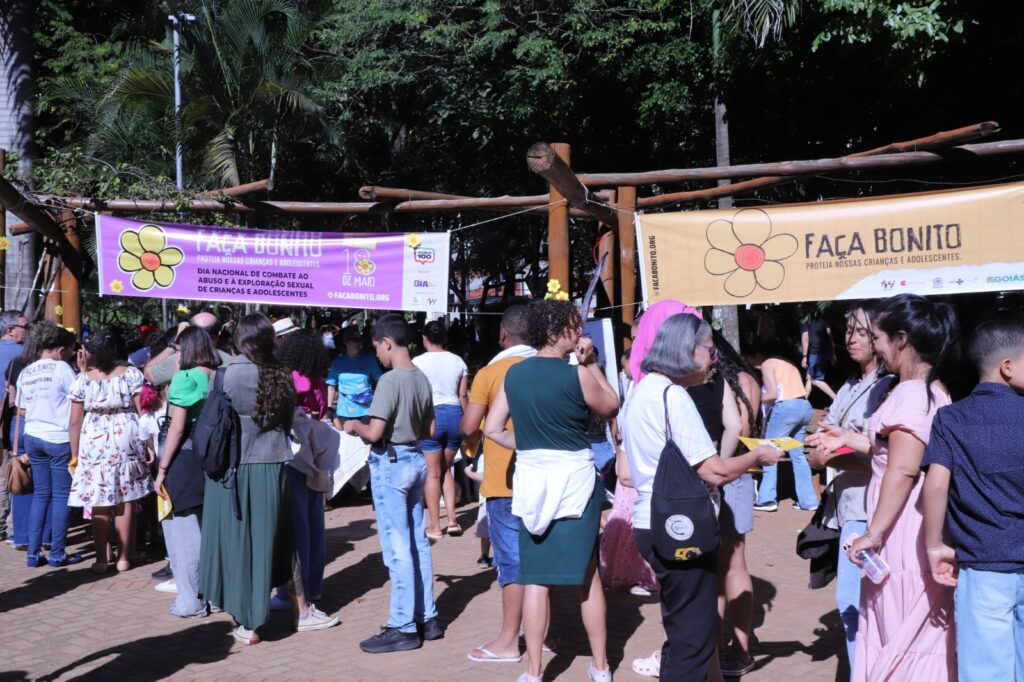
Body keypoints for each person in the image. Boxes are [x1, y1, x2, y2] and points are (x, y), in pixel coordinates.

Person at [621, 313, 781, 680]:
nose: (713, 360)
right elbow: (715, 471)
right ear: (687, 350)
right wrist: (757, 455)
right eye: (709, 351)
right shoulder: (673, 397)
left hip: (655, 520)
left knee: (685, 629)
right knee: (692, 642)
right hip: (679, 526)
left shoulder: (641, 391)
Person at [816, 293, 959, 680]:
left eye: (877, 337)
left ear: (902, 340)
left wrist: (873, 534)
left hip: (901, 533)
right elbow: (895, 453)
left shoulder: (912, 394)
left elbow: (903, 469)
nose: (875, 346)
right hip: (908, 526)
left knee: (900, 634)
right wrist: (849, 438)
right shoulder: (928, 389)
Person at [484, 299, 619, 682]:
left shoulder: (513, 374)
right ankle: (600, 666)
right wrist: (592, 363)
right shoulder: (578, 375)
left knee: (535, 578)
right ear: (556, 331)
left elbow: (492, 428)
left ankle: (534, 671)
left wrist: (527, 445)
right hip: (576, 481)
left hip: (533, 481)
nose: (580, 334)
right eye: (575, 327)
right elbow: (612, 405)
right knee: (587, 577)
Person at [200, 313, 337, 646]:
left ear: (240, 340)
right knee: (281, 542)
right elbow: (288, 422)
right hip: (274, 467)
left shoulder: (224, 375)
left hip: (232, 470)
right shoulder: (281, 375)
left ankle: (248, 622)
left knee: (237, 543)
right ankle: (302, 612)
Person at [921, 318, 1024, 681]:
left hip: (983, 566)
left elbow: (935, 486)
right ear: (1007, 366)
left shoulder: (951, 419)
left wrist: (935, 545)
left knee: (985, 670)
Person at [342, 314, 442, 654]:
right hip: (415, 459)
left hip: (391, 464)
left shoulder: (389, 381)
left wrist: (354, 425)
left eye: (376, 348)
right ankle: (427, 617)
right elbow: (430, 429)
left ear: (387, 342)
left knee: (397, 547)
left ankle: (402, 625)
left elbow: (374, 433)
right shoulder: (421, 377)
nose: (377, 355)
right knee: (417, 543)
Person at [806, 301, 895, 670]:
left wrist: (828, 458)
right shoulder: (851, 382)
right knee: (857, 602)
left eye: (862, 332)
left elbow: (884, 456)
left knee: (853, 603)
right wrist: (819, 447)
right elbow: (829, 431)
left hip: (868, 507)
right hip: (847, 506)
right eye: (848, 332)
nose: (852, 339)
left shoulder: (887, 387)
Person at [460, 305, 536, 664]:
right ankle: (539, 635)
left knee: (511, 563)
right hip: (548, 479)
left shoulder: (490, 373)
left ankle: (509, 640)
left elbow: (468, 427)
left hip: (504, 480)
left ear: (503, 334)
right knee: (540, 562)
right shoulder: (553, 367)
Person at [68, 330, 152, 573]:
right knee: (126, 496)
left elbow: (74, 421)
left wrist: (75, 454)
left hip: (93, 440)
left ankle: (102, 559)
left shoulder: (82, 379)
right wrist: (149, 444)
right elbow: (143, 412)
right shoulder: (131, 374)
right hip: (126, 435)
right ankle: (125, 557)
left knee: (98, 499)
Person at [711, 330, 764, 677]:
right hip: (741, 474)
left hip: (726, 473)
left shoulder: (730, 381)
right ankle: (729, 647)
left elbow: (740, 428)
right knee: (729, 564)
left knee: (726, 565)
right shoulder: (748, 379)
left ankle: (734, 648)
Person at [275, 327, 335, 606]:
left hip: (294, 453)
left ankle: (292, 594)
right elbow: (321, 413)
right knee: (314, 523)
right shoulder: (319, 379)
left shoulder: (288, 378)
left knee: (294, 526)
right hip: (318, 451)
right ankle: (314, 586)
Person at [17, 321, 82, 567]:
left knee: (41, 495)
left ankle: (33, 554)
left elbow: (21, 407)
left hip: (33, 435)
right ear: (60, 349)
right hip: (58, 437)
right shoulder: (62, 368)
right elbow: (79, 397)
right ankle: (57, 553)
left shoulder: (27, 371)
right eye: (70, 351)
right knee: (61, 496)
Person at [412, 320, 468, 539]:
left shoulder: (417, 362)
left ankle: (435, 526)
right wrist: (468, 424)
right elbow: (463, 395)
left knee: (432, 473)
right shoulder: (458, 361)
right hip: (455, 414)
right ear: (445, 338)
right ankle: (453, 520)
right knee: (446, 469)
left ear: (424, 338)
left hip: (431, 415)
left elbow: (415, 395)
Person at [745, 342, 817, 512]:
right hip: (804, 406)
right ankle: (808, 501)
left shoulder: (767, 364)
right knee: (798, 454)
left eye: (748, 359)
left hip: (786, 408)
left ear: (757, 355)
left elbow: (772, 394)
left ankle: (767, 499)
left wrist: (750, 400)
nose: (749, 364)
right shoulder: (784, 362)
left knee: (769, 450)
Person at [7, 325, 51, 552]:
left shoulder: (15, 364)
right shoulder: (53, 366)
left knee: (22, 480)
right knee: (47, 483)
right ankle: (46, 536)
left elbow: (12, 398)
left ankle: (22, 536)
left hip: (19, 423)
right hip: (44, 424)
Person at [143, 311, 233, 386]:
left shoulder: (179, 359)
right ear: (218, 335)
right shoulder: (231, 363)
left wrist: (175, 343)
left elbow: (148, 374)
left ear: (189, 332)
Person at [0, 310, 28, 543]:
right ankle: (10, 525)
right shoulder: (23, 355)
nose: (28, 332)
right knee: (10, 470)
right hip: (9, 420)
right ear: (10, 330)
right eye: (24, 327)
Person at [327, 325, 383, 421]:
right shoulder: (337, 363)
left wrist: (378, 401)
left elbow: (380, 380)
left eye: (359, 339)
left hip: (367, 410)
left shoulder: (369, 360)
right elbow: (331, 387)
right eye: (354, 339)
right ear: (345, 341)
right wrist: (329, 408)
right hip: (344, 412)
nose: (358, 343)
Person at [801, 306, 837, 400]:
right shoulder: (823, 321)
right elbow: (830, 336)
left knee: (814, 380)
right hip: (824, 352)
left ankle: (836, 398)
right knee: (809, 378)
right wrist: (833, 353)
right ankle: (804, 401)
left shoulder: (805, 321)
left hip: (815, 352)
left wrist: (804, 356)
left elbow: (805, 338)